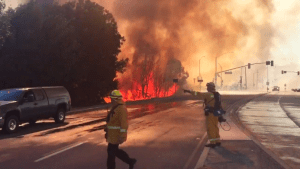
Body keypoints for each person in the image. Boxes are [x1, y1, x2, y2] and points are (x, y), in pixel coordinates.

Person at [184, 82, 226, 148]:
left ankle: (212, 143)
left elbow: (197, 94)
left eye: (207, 87)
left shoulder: (208, 94)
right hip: (216, 113)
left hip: (210, 114)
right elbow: (220, 104)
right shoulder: (217, 94)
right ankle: (218, 141)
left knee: (210, 128)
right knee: (215, 127)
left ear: (209, 88)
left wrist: (189, 91)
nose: (207, 88)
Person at [105, 90, 137, 169]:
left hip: (116, 136)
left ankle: (113, 167)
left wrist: (122, 136)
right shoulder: (115, 107)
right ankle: (130, 161)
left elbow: (124, 124)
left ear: (116, 99)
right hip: (112, 135)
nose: (111, 100)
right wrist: (107, 129)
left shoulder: (121, 109)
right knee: (115, 152)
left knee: (111, 153)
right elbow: (112, 121)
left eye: (112, 99)